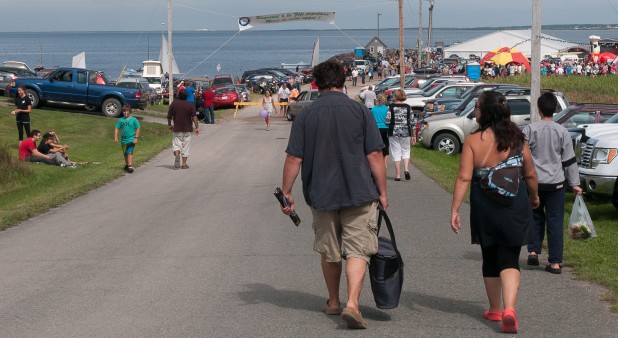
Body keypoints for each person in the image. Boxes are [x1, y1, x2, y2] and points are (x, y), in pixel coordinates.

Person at [280, 60, 388, 330]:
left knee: (330, 251)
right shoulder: (360, 111)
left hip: (321, 193)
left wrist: (287, 191)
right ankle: (353, 303)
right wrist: (383, 191)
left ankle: (332, 301)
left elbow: (295, 156)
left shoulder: (306, 114)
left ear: (315, 83)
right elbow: (375, 154)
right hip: (360, 192)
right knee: (358, 250)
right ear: (344, 80)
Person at [450, 91, 539, 334]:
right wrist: (534, 197)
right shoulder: (517, 139)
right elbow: (530, 173)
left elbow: (464, 177)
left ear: (485, 112)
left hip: (484, 204)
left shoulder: (472, 140)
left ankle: (495, 308)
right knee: (509, 258)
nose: (475, 111)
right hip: (514, 202)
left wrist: (455, 209)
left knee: (490, 256)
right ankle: (510, 309)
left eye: (477, 107)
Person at [524, 93, 583, 274]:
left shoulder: (529, 129)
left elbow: (522, 156)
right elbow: (568, 160)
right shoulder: (562, 131)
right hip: (556, 183)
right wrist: (574, 183)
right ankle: (555, 262)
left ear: (539, 109)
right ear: (555, 109)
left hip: (534, 182)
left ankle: (533, 251)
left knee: (534, 217)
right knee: (555, 221)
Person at [167, 88, 200, 169]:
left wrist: (170, 125)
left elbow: (169, 116)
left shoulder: (174, 104)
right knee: (185, 147)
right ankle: (184, 164)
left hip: (177, 128)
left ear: (178, 95)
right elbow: (194, 117)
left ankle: (177, 155)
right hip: (187, 129)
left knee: (176, 145)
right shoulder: (190, 105)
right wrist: (197, 127)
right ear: (187, 96)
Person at [385, 89, 414, 181]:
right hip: (406, 132)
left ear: (395, 96)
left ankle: (398, 175)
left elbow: (387, 121)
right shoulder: (408, 107)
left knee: (396, 152)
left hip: (393, 132)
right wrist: (414, 135)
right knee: (406, 150)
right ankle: (406, 169)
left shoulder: (391, 107)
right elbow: (412, 122)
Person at [114, 105, 141, 173]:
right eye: (124, 111)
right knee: (125, 153)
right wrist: (116, 137)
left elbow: (138, 128)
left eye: (127, 111)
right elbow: (117, 128)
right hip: (123, 140)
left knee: (129, 152)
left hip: (131, 139)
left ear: (129, 111)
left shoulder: (133, 120)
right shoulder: (121, 120)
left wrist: (136, 138)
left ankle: (130, 166)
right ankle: (127, 165)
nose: (125, 112)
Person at [371, 93, 390, 168]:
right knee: (386, 144)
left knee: (377, 145)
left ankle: (377, 160)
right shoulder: (387, 109)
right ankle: (384, 163)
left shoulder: (373, 109)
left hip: (376, 128)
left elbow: (371, 120)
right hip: (385, 127)